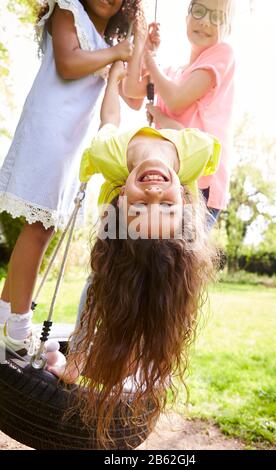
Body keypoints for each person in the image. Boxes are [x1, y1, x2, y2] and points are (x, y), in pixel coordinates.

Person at [46, 60, 220, 447]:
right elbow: (176, 126)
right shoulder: (193, 154)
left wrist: (116, 82)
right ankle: (88, 358)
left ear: (123, 200)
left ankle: (126, 358)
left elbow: (109, 119)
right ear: (183, 200)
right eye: (166, 208)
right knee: (124, 288)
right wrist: (160, 120)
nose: (156, 195)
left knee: (123, 288)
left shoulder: (110, 155)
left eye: (142, 209)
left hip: (118, 233)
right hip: (129, 236)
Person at [0, 0, 142, 353]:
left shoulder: (107, 45)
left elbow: (132, 96)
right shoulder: (67, 12)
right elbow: (67, 64)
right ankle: (17, 329)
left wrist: (138, 46)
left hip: (67, 148)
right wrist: (115, 54)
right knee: (38, 230)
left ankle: (4, 319)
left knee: (41, 229)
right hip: (47, 134)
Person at [123, 0, 235, 229]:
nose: (206, 22)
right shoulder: (172, 74)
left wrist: (150, 63)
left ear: (226, 26)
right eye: (200, 11)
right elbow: (131, 89)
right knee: (154, 258)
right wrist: (142, 44)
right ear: (187, 15)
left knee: (182, 259)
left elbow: (176, 100)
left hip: (199, 183)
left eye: (217, 17)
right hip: (168, 177)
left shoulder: (222, 54)